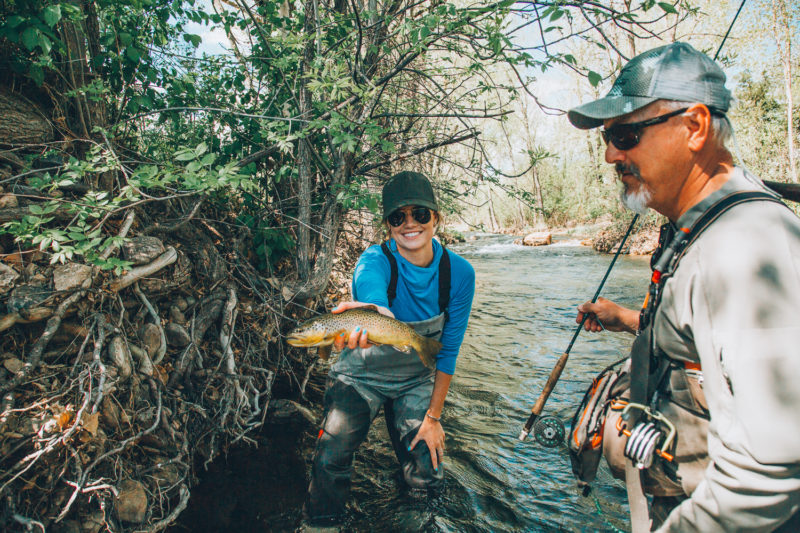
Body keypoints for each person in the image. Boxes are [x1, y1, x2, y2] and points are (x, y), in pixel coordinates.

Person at [567, 42, 800, 532]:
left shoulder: (748, 248)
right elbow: (708, 346)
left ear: (694, 126)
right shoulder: (695, 228)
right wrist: (630, 320)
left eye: (626, 134)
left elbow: (771, 471)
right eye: (607, 138)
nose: (611, 154)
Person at [302, 171, 475, 530]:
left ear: (436, 218)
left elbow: (449, 350)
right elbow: (371, 292)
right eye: (398, 217)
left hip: (416, 379)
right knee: (330, 456)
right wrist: (376, 313)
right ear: (387, 225)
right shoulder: (373, 261)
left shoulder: (459, 274)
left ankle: (416, 518)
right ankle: (321, 524)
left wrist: (433, 419)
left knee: (427, 464)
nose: (409, 224)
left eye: (420, 214)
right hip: (361, 374)